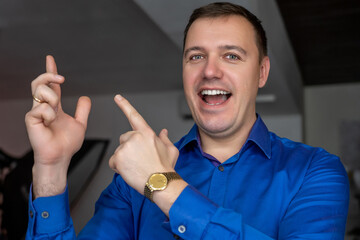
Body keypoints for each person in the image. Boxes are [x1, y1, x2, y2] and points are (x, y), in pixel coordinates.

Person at [25, 2, 349, 239]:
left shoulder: (315, 172)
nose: (210, 70)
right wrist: (50, 168)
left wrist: (162, 185)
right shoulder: (129, 181)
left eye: (231, 55)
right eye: (196, 56)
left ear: (262, 72)